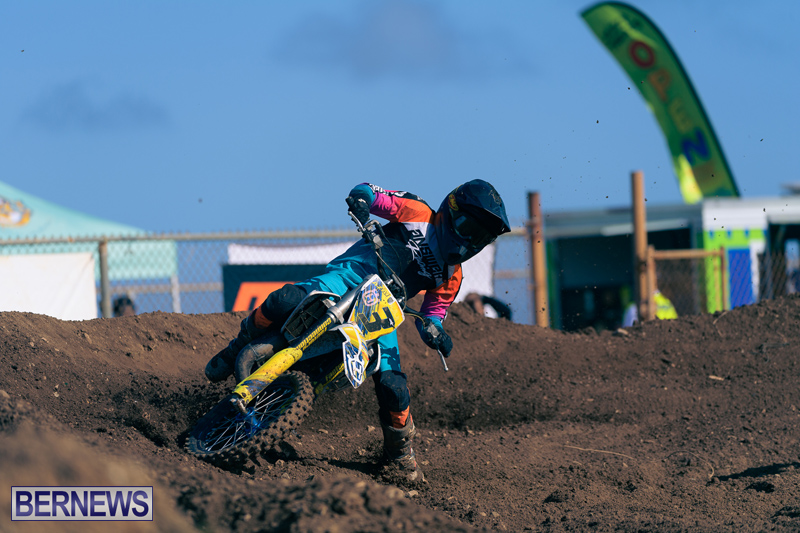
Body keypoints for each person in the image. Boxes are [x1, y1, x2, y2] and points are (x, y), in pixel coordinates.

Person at [205, 180, 510, 483]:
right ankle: (236, 348)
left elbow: (433, 313)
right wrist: (362, 204)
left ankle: (400, 455)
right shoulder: (418, 212)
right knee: (283, 300)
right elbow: (369, 192)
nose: (471, 242)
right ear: (451, 210)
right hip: (348, 278)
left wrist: (436, 332)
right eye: (470, 229)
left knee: (394, 387)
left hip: (381, 311)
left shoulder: (452, 275)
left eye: (481, 238)